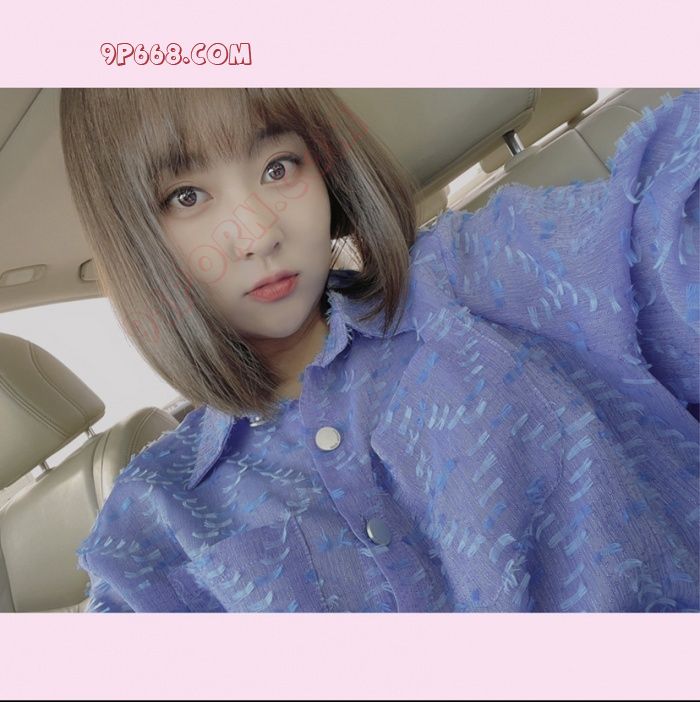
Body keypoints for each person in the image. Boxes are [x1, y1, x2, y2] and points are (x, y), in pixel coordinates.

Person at [59, 88, 699, 613]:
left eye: (279, 167)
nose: (257, 233)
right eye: (187, 197)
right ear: (134, 239)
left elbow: (663, 235)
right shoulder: (151, 525)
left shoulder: (478, 274)